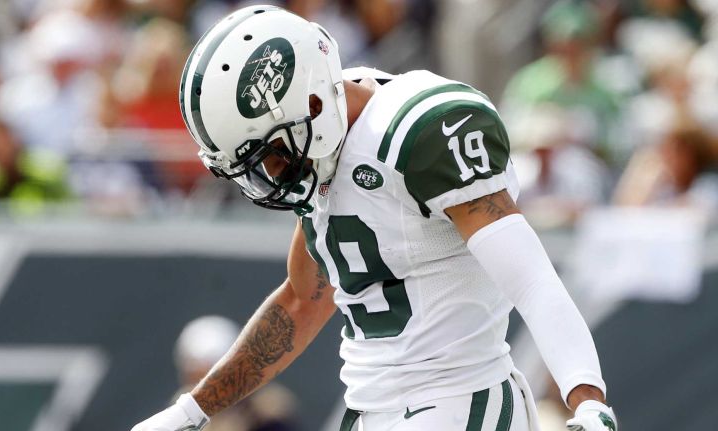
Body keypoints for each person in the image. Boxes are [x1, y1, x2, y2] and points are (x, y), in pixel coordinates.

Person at [132, 5, 617, 431]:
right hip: (371, 410)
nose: (269, 173)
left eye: (272, 154)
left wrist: (587, 398)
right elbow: (302, 301)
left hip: (462, 401)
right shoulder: (322, 141)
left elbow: (530, 278)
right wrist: (192, 410)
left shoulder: (420, 132)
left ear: (314, 103)